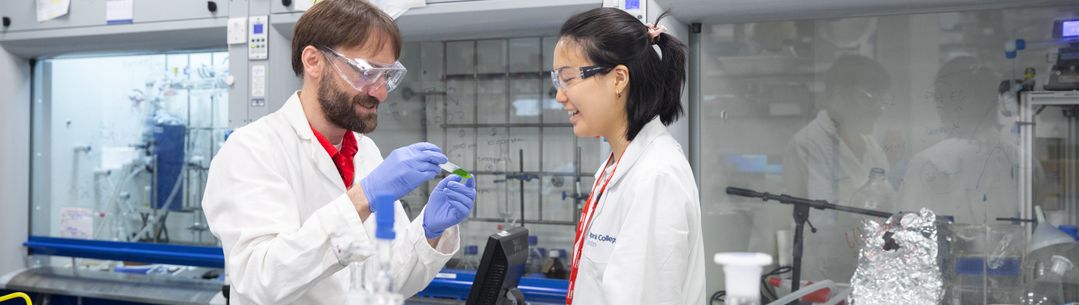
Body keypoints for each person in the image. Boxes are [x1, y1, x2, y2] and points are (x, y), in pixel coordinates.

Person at [200, 1, 476, 304]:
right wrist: (363, 198)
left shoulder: (365, 152)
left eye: (387, 76)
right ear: (314, 61)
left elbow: (386, 281)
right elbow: (260, 279)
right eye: (368, 71)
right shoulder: (252, 149)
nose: (380, 92)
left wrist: (429, 230)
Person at [551, 7, 705, 304]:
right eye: (558, 80)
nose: (560, 95)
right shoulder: (619, 167)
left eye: (569, 78)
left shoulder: (656, 177)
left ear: (619, 78)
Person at [781, 54, 892, 283]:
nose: (879, 109)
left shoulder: (871, 146)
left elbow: (888, 205)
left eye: (882, 101)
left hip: (866, 269)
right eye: (869, 98)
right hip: (822, 274)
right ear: (839, 94)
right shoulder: (808, 144)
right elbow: (823, 220)